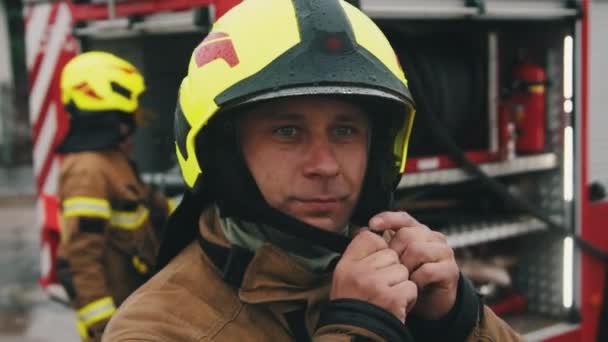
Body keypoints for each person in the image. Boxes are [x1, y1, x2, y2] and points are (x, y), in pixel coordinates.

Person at [103, 1, 523, 341]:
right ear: (225, 154)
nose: (325, 166)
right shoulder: (154, 327)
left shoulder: (399, 280)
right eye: (287, 131)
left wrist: (457, 323)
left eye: (345, 130)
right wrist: (360, 328)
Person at [55, 51, 174, 341]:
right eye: (131, 105)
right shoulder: (88, 170)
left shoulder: (110, 158)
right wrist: (106, 327)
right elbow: (80, 257)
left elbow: (143, 210)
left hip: (135, 310)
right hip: (118, 323)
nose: (136, 113)